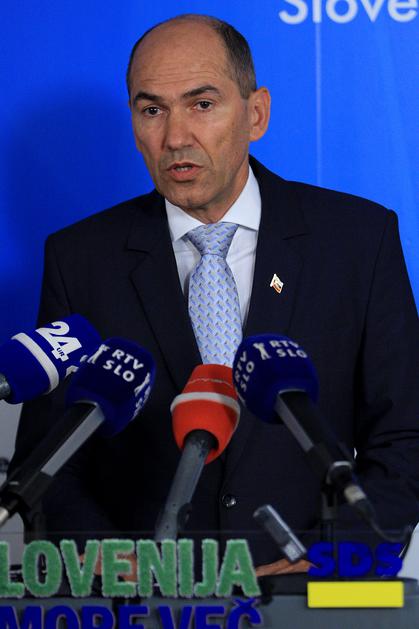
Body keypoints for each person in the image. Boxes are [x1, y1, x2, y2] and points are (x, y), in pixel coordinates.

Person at [12, 14, 419, 576]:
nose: (175, 137)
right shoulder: (80, 258)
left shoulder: (357, 240)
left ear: (255, 114)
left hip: (307, 593)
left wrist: (331, 560)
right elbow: (49, 463)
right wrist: (110, 563)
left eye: (201, 104)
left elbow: (405, 440)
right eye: (151, 110)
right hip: (142, 597)